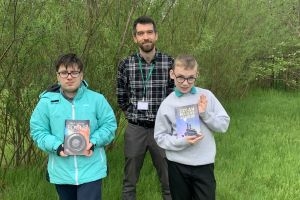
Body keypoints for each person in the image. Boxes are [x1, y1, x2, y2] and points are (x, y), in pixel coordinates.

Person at [30, 53, 117, 200]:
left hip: (92, 169)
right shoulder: (46, 102)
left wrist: (93, 142)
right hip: (61, 171)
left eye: (74, 72)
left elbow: (109, 125)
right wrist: (57, 146)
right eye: (64, 73)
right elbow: (38, 130)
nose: (69, 77)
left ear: (81, 75)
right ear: (57, 76)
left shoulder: (97, 99)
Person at [154, 54, 230, 200]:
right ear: (172, 74)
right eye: (180, 77)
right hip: (177, 165)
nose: (185, 83)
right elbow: (160, 137)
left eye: (190, 78)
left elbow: (224, 125)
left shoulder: (206, 96)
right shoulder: (167, 104)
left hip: (204, 164)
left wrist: (205, 114)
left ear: (197, 75)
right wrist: (182, 141)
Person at [117, 16, 174, 200]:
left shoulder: (170, 63)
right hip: (136, 129)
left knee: (169, 180)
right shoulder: (126, 64)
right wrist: (133, 116)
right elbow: (121, 97)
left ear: (156, 35)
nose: (145, 37)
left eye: (149, 32)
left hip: (163, 130)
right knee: (129, 182)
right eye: (140, 33)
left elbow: (175, 97)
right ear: (135, 38)